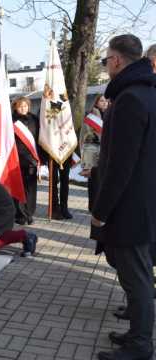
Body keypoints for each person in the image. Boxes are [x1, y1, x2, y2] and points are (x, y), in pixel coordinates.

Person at [92, 34, 156, 360]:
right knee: (136, 274)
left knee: (138, 278)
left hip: (130, 207)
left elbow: (121, 165)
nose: (107, 66)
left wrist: (100, 211)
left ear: (116, 60)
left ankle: (141, 346)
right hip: (144, 202)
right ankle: (136, 334)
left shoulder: (130, 99)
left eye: (106, 60)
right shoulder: (147, 93)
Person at [11, 97, 41, 225]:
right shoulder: (11, 120)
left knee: (31, 188)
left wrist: (40, 157)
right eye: (20, 106)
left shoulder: (34, 119)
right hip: (17, 159)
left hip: (32, 160)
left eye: (25, 105)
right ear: (15, 107)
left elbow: (39, 138)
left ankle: (29, 213)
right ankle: (20, 214)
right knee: (19, 188)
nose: (23, 108)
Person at [79, 94, 108, 211]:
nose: (104, 102)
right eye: (101, 100)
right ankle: (93, 206)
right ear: (96, 102)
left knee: (102, 180)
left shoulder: (109, 114)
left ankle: (100, 205)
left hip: (105, 151)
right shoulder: (91, 116)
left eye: (106, 101)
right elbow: (85, 135)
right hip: (92, 151)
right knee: (94, 181)